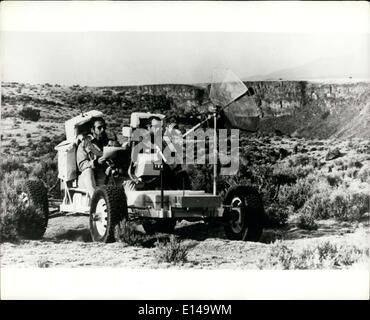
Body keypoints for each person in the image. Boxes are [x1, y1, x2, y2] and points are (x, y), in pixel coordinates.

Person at [77, 117, 116, 199]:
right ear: (92, 129)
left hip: (103, 176)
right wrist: (96, 162)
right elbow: (82, 165)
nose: (102, 130)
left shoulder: (108, 143)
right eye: (99, 128)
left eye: (104, 127)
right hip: (87, 179)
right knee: (88, 171)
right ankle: (96, 202)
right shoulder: (84, 144)